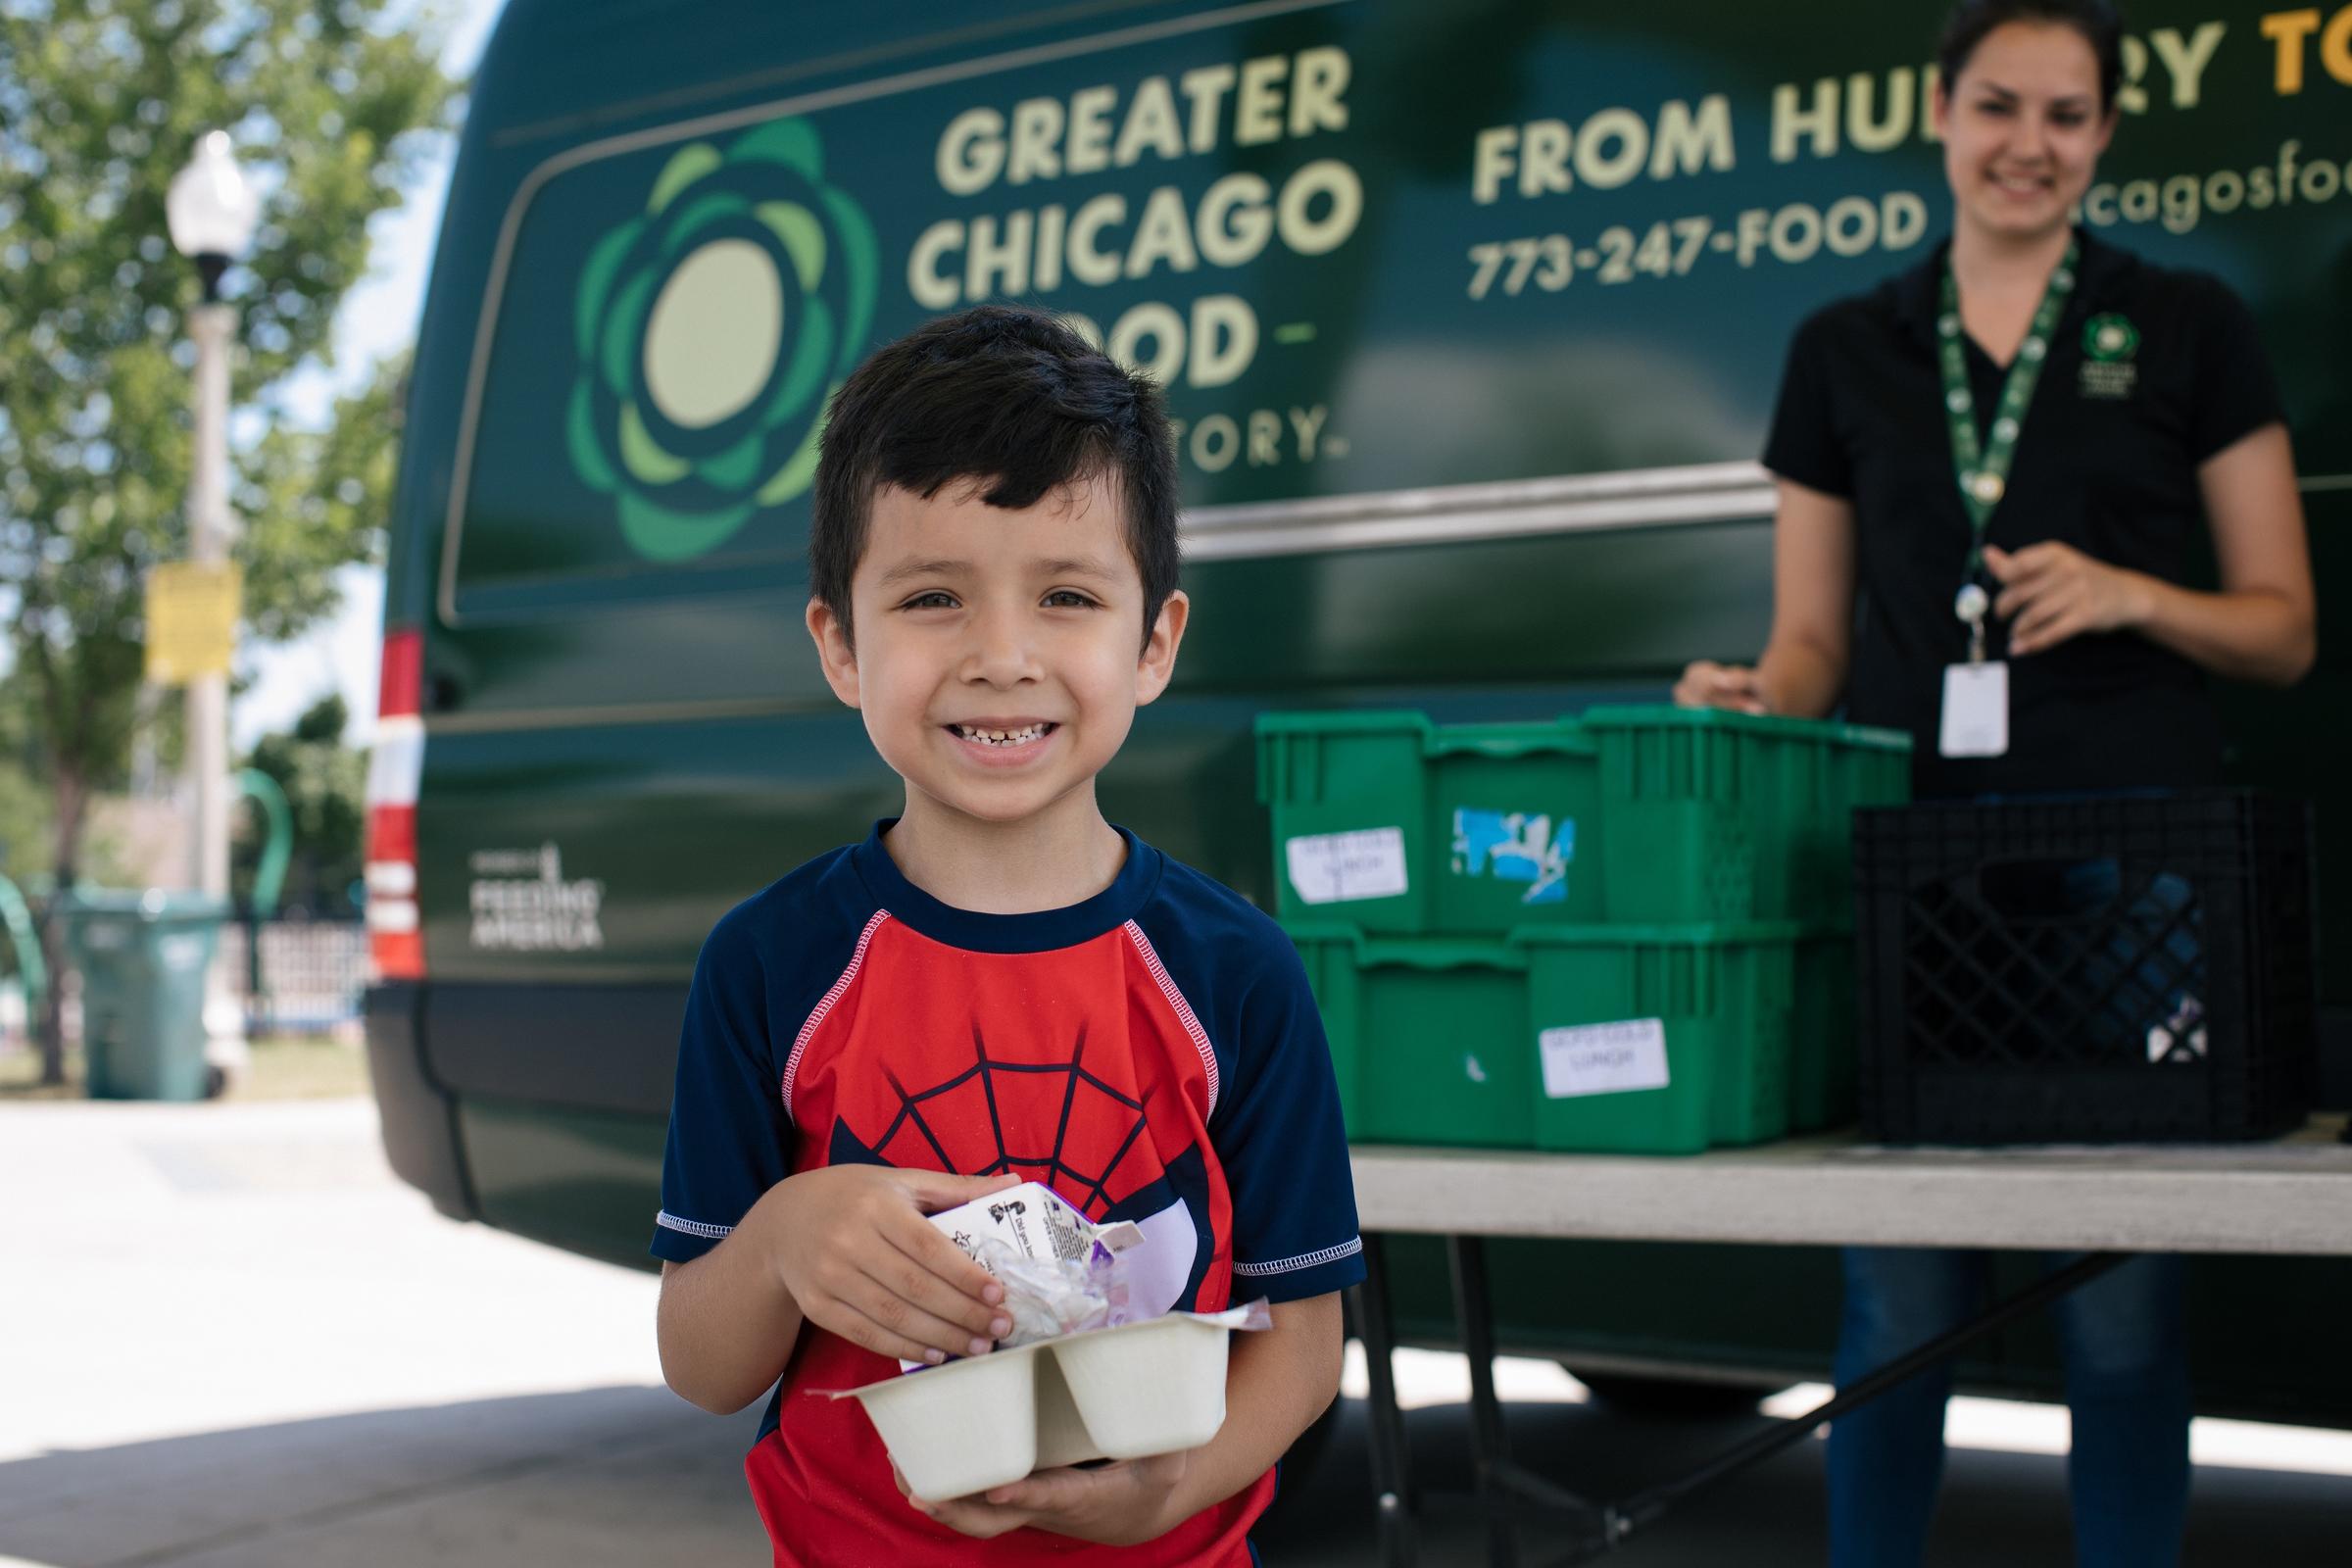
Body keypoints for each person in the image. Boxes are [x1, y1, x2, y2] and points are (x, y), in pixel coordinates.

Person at [1674, 2, 2316, 1564]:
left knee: (2120, 1307)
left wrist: (2130, 593)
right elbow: (1814, 643)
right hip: (1921, 875)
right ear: (1942, 113)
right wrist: (1759, 697)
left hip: (2138, 875)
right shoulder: (1845, 346)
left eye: (2068, 114)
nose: (2031, 143)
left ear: (2106, 135)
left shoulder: (2188, 321)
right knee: (1897, 1302)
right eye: (2000, 105)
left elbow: (2285, 628)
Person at [649, 304, 1364, 1566]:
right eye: (933, 596)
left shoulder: (1237, 972)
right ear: (840, 645)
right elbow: (703, 1368)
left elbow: (1303, 1348)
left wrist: (1169, 1494)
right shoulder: (769, 961)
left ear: (1153, 643)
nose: (1001, 655)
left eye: (1067, 595)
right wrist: (784, 1239)